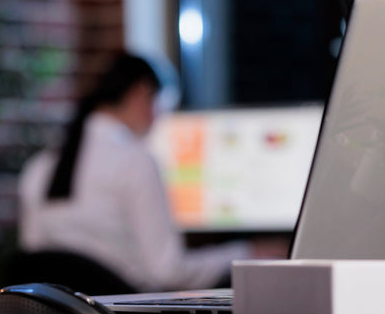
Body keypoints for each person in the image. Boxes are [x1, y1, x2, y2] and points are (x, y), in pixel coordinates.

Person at [17, 52, 262, 293]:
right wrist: (246, 253)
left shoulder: (39, 167)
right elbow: (168, 272)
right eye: (162, 108)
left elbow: (34, 257)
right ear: (142, 93)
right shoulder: (136, 162)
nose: (157, 121)